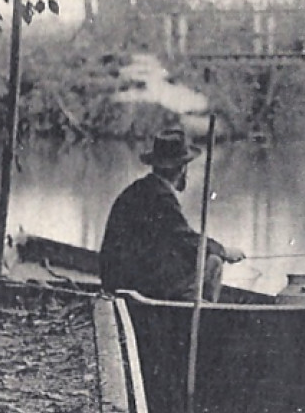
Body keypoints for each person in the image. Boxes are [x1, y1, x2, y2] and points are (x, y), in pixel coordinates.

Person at [99, 129, 245, 301]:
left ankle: (189, 303)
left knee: (190, 259)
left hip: (116, 278)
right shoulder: (161, 197)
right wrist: (223, 251)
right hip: (132, 284)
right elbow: (183, 237)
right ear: (182, 168)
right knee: (213, 262)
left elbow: (174, 240)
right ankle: (200, 315)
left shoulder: (140, 188)